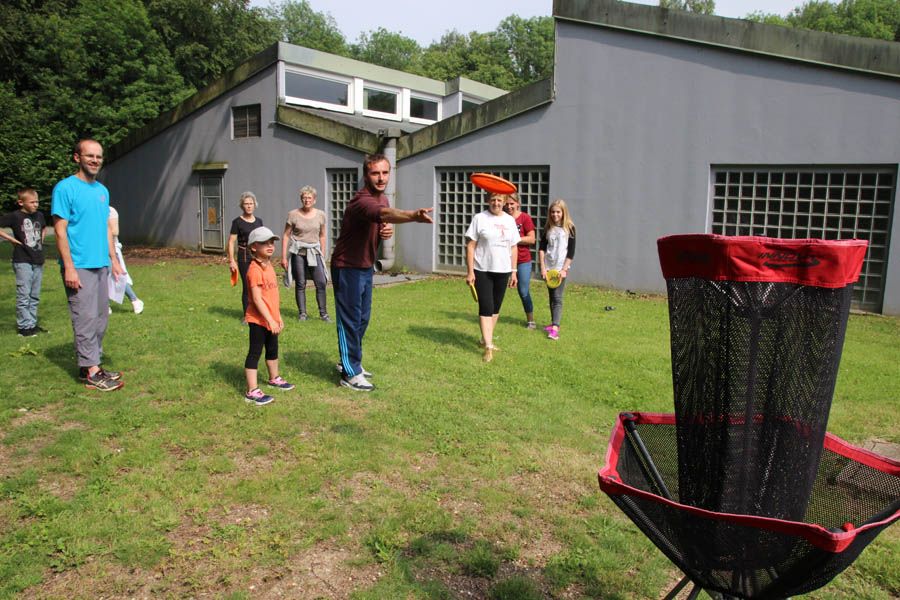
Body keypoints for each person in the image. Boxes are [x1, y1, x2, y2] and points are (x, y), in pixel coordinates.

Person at [331, 154, 434, 391]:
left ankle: (350, 362)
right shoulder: (361, 200)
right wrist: (412, 216)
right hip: (347, 266)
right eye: (375, 173)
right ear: (366, 175)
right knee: (350, 320)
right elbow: (383, 215)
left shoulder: (382, 199)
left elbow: (379, 223)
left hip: (365, 265)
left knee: (362, 319)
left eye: (385, 173)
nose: (381, 178)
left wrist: (383, 234)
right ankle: (350, 373)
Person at [51, 139, 125, 392]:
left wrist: (114, 260)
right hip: (79, 264)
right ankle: (92, 371)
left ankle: (91, 364)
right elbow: (60, 231)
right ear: (77, 158)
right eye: (90, 156)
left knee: (100, 318)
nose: (95, 160)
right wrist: (69, 266)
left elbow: (105, 227)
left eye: (99, 156)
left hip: (101, 263)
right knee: (84, 318)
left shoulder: (102, 191)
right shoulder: (65, 188)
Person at [465, 192, 520, 362]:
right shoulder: (480, 218)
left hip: (503, 270)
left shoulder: (509, 220)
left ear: (504, 202)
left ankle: (484, 339)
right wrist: (470, 271)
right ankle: (489, 347)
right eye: (493, 200)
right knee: (486, 307)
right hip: (483, 269)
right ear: (488, 201)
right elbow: (471, 245)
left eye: (499, 200)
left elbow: (513, 248)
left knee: (496, 308)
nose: (496, 203)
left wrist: (514, 271)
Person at [243, 226, 294, 405]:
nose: (270, 245)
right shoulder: (254, 270)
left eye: (271, 242)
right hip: (258, 320)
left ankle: (274, 378)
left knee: (273, 349)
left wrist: (277, 316)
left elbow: (273, 296)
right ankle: (252, 390)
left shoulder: (269, 265)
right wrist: (269, 319)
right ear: (253, 247)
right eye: (264, 243)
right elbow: (257, 299)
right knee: (255, 352)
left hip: (271, 318)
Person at [0, 188, 49, 337]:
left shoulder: (39, 215)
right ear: (21, 202)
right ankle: (24, 327)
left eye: (37, 202)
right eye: (32, 202)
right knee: (24, 294)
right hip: (22, 260)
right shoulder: (15, 216)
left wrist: (41, 239)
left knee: (35, 294)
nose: (35, 205)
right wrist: (11, 240)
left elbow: (44, 228)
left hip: (38, 259)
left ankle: (31, 324)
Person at [281, 186, 331, 322]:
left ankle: (323, 314)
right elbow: (286, 235)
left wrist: (322, 252)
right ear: (301, 199)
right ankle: (302, 313)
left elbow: (322, 235)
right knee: (301, 283)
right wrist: (284, 257)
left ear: (314, 200)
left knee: (321, 282)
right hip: (298, 252)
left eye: (309, 198)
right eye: (304, 197)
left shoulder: (321, 215)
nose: (306, 200)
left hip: (314, 252)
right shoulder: (293, 214)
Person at [539, 199, 577, 341]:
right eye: (553, 212)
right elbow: (542, 249)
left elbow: (571, 252)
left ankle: (555, 328)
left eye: (558, 212)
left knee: (558, 297)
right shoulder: (548, 227)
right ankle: (553, 323)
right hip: (549, 268)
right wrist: (543, 267)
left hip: (561, 268)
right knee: (551, 297)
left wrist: (564, 269)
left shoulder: (570, 228)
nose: (555, 215)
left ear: (563, 212)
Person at [227, 191, 264, 319]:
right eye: (246, 204)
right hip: (244, 256)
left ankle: (259, 312)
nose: (249, 206)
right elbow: (231, 242)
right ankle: (247, 315)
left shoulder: (259, 221)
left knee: (259, 284)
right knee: (248, 285)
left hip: (258, 256)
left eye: (251, 203)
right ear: (242, 206)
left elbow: (263, 240)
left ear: (255, 205)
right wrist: (231, 261)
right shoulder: (237, 222)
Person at [503, 193, 536, 329]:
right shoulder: (502, 218)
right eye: (507, 203)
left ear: (518, 203)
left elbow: (532, 239)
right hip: (504, 260)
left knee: (523, 291)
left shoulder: (525, 218)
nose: (509, 206)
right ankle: (490, 317)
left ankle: (530, 320)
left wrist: (515, 239)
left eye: (512, 203)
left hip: (522, 260)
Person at [108, 206, 144, 314]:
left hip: (111, 248)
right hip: (97, 250)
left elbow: (114, 232)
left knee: (115, 276)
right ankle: (106, 305)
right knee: (105, 277)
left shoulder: (110, 211)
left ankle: (135, 300)